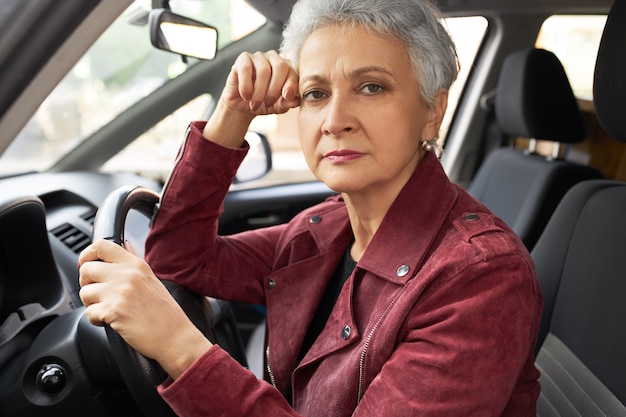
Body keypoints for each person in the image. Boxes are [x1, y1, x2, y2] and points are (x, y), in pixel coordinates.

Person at [78, 0, 543, 415]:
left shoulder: (480, 278)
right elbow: (178, 259)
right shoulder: (324, 227)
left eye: (372, 87)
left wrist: (179, 347)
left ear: (433, 110)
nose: (335, 121)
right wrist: (233, 112)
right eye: (315, 94)